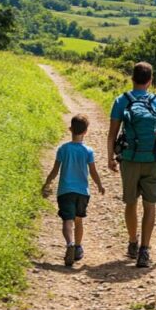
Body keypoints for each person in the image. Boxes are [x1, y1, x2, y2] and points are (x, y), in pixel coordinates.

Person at [107, 62, 156, 268]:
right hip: (153, 160)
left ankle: (132, 242)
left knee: (131, 203)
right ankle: (144, 250)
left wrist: (110, 158)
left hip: (129, 160)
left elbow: (112, 134)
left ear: (132, 79)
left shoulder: (121, 101)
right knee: (149, 205)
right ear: (150, 80)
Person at [42, 114, 105, 267]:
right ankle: (77, 247)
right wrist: (99, 185)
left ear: (70, 129)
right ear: (86, 132)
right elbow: (93, 171)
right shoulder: (88, 151)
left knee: (67, 221)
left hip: (65, 191)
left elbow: (55, 170)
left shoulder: (63, 149)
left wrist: (47, 183)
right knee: (78, 220)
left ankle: (69, 243)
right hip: (82, 192)